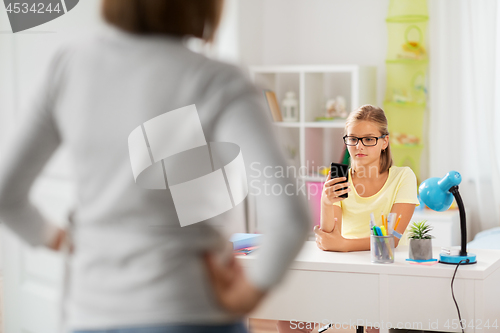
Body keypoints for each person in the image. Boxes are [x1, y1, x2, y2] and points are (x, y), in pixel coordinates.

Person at [0, 1, 310, 332]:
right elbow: (289, 218)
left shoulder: (69, 67)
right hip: (190, 308)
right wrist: (248, 295)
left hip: (93, 311)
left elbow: (6, 193)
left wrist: (59, 239)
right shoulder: (219, 79)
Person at [276, 105, 420, 333]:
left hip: (385, 268)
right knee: (289, 319)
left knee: (375, 321)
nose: (359, 146)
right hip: (346, 267)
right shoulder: (339, 175)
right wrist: (325, 201)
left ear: (384, 142)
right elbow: (328, 237)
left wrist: (343, 245)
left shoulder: (403, 177)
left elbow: (390, 241)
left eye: (368, 139)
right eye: (353, 139)